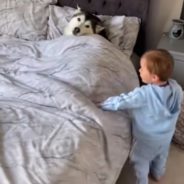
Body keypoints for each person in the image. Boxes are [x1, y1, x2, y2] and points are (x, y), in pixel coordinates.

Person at [99, 49, 183, 184]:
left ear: (154, 77)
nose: (139, 70)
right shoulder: (176, 88)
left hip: (146, 140)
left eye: (142, 68)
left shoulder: (144, 94)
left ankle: (142, 181)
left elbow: (123, 101)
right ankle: (158, 174)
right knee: (161, 155)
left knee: (140, 161)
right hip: (166, 136)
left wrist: (104, 104)